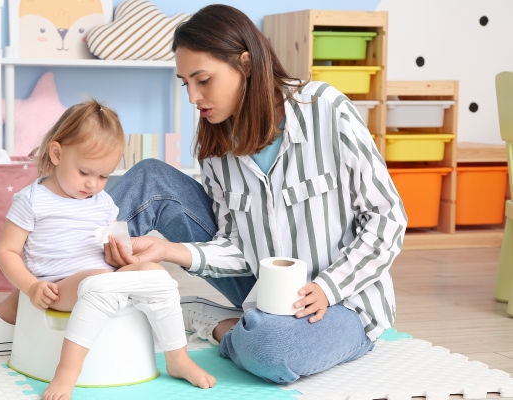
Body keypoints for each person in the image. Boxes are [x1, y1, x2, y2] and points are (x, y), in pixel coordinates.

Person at [103, 4, 407, 385]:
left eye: (203, 80)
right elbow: (234, 245)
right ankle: (70, 282)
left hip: (342, 303)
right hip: (261, 286)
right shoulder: (216, 147)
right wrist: (167, 250)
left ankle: (216, 322)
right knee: (151, 178)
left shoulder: (327, 111)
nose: (193, 97)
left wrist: (330, 287)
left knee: (270, 349)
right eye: (185, 83)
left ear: (245, 64)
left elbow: (387, 216)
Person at [0, 99, 215, 400]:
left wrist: (120, 255)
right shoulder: (33, 200)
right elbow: (6, 252)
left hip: (104, 279)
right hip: (61, 287)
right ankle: (67, 373)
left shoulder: (103, 204)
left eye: (103, 176)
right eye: (85, 172)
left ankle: (178, 359)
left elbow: (112, 252)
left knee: (158, 275)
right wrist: (31, 287)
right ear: (57, 153)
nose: (94, 184)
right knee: (100, 282)